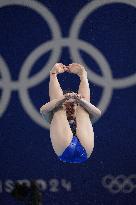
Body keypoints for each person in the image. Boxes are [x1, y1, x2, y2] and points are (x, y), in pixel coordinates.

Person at [40, 63, 101, 163]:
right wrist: (63, 98)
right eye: (67, 105)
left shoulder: (81, 113)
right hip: (64, 149)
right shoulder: (52, 115)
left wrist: (80, 101)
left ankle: (83, 76)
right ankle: (53, 74)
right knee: (58, 110)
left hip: (84, 150)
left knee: (83, 108)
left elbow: (98, 113)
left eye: (73, 105)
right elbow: (43, 110)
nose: (70, 108)